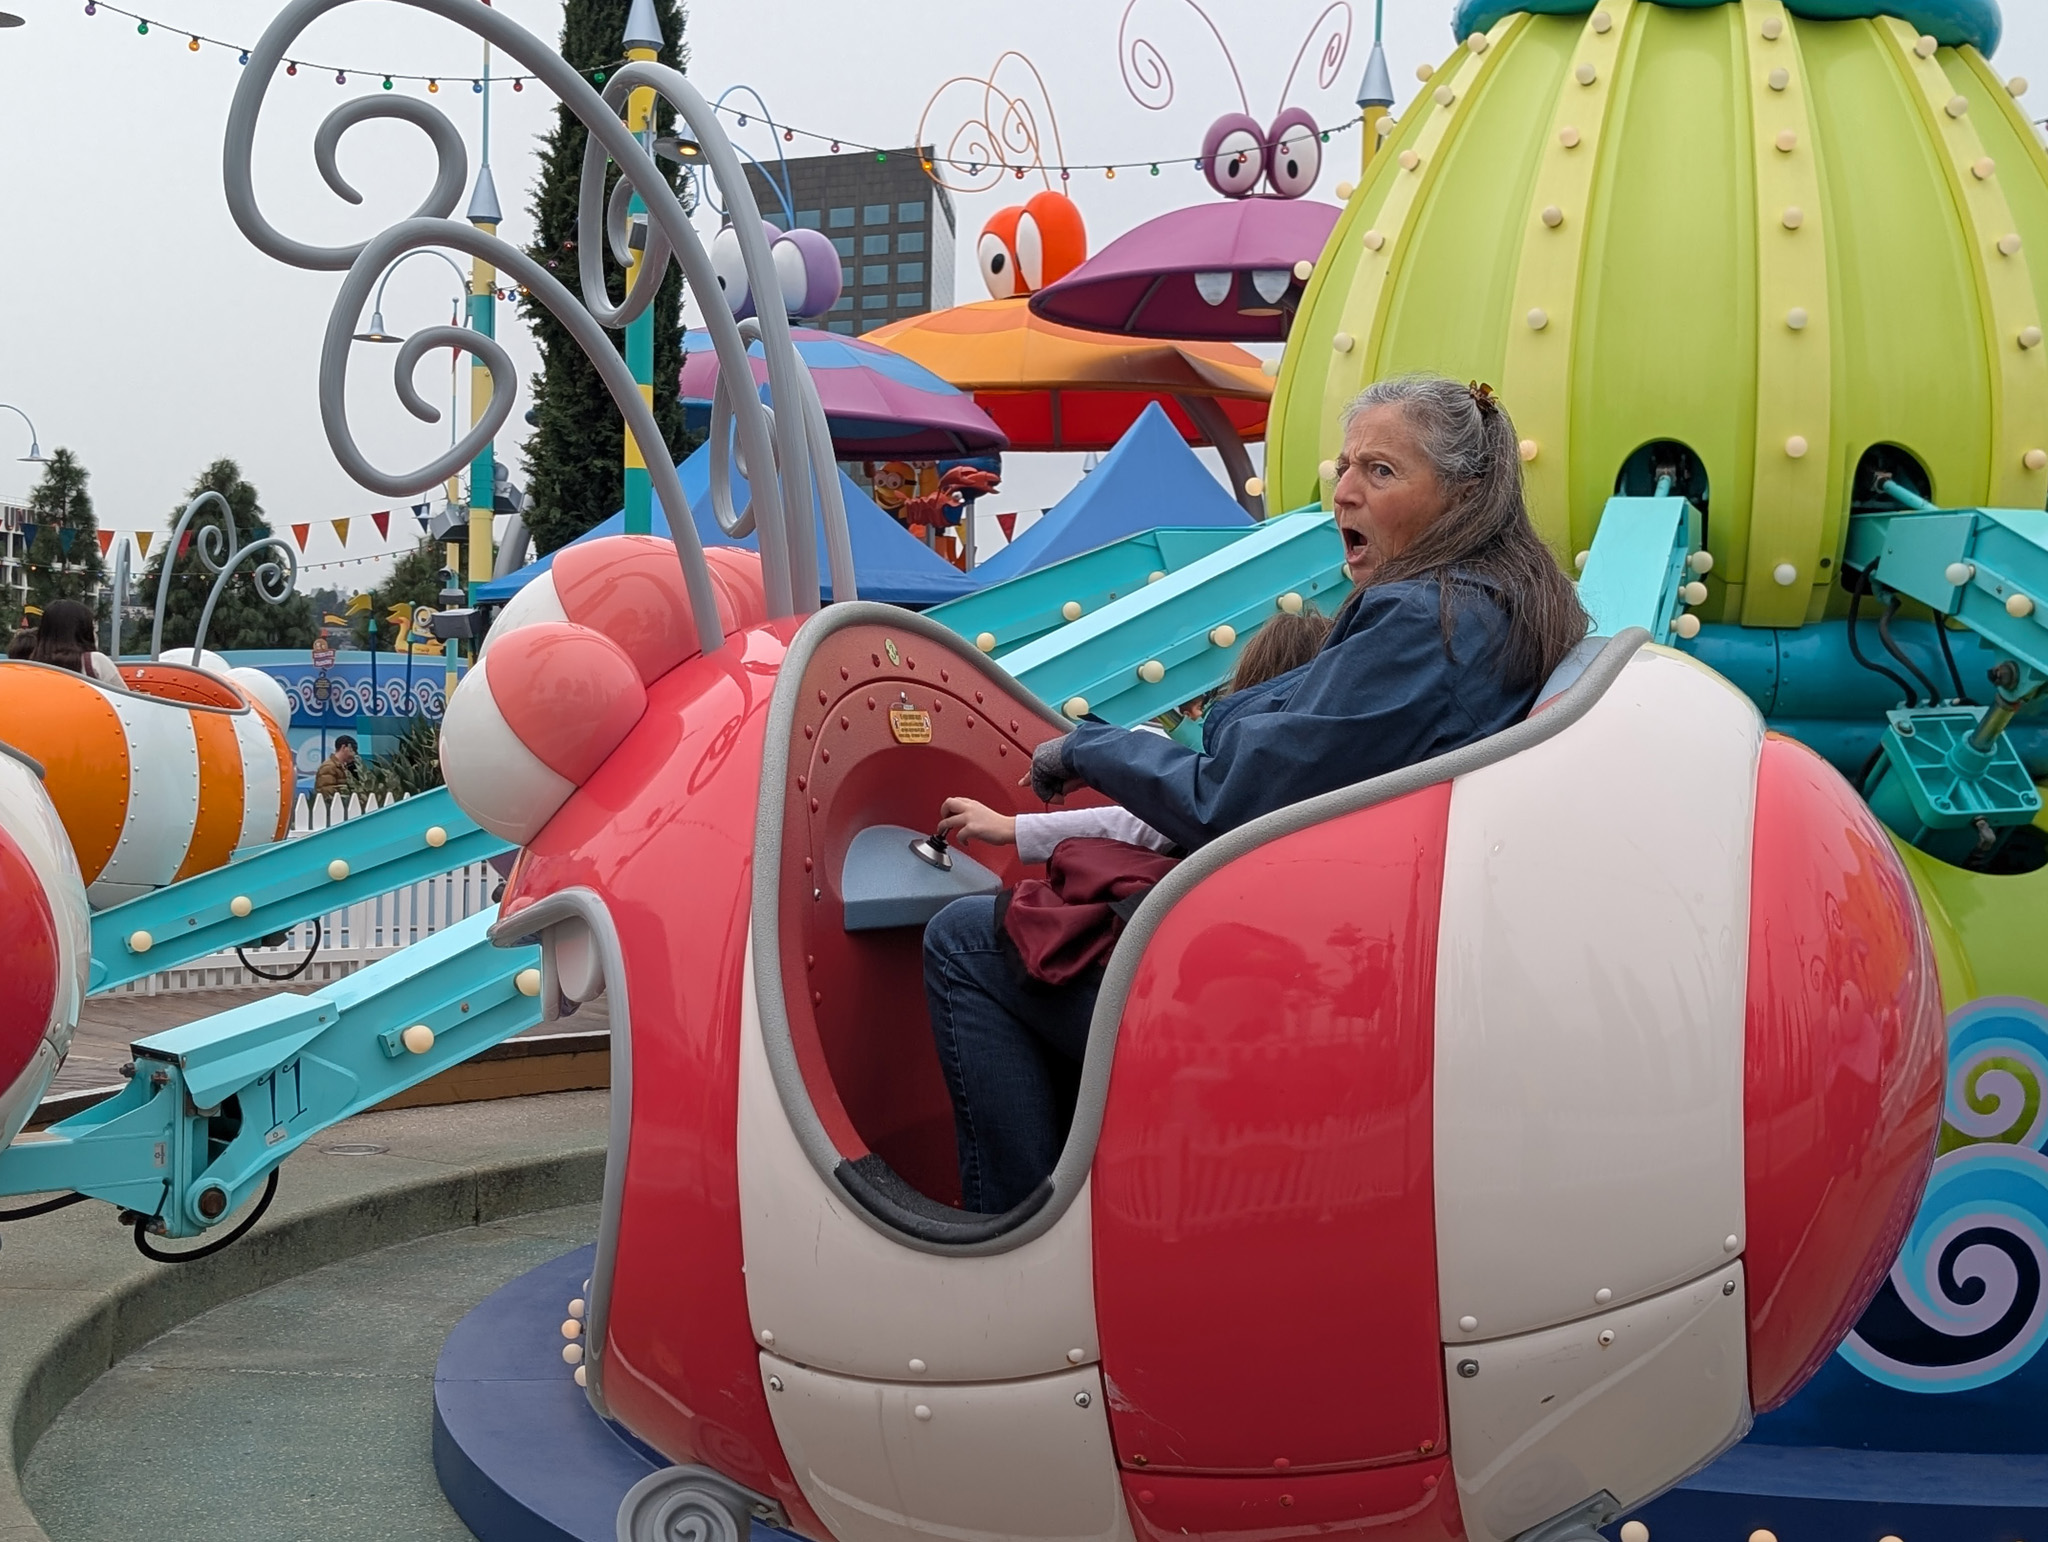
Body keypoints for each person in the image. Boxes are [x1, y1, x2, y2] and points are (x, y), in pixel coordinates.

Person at [922, 373, 1590, 1214]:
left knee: (967, 941)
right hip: (1369, 943)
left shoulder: (1427, 623)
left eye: (1381, 471)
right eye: (1346, 466)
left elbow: (1230, 799)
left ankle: (1017, 1235)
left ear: (1462, 495)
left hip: (1310, 980)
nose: (1344, 491)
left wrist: (1088, 747)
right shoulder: (1509, 607)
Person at [932, 609, 1335, 863]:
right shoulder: (1334, 760)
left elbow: (1172, 812)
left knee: (962, 932)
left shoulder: (1261, 765)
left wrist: (1014, 826)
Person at [26, 599, 121, 685]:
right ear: (84, 632)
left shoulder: (29, 667)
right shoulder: (96, 661)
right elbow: (121, 696)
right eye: (93, 629)